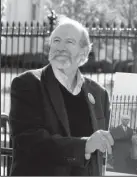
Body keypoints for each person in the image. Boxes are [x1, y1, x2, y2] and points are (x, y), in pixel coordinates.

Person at [9, 17, 114, 176]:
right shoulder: (27, 84)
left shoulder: (99, 94)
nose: (60, 47)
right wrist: (84, 146)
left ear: (84, 52)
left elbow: (112, 141)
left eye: (69, 42)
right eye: (56, 40)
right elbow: (31, 140)